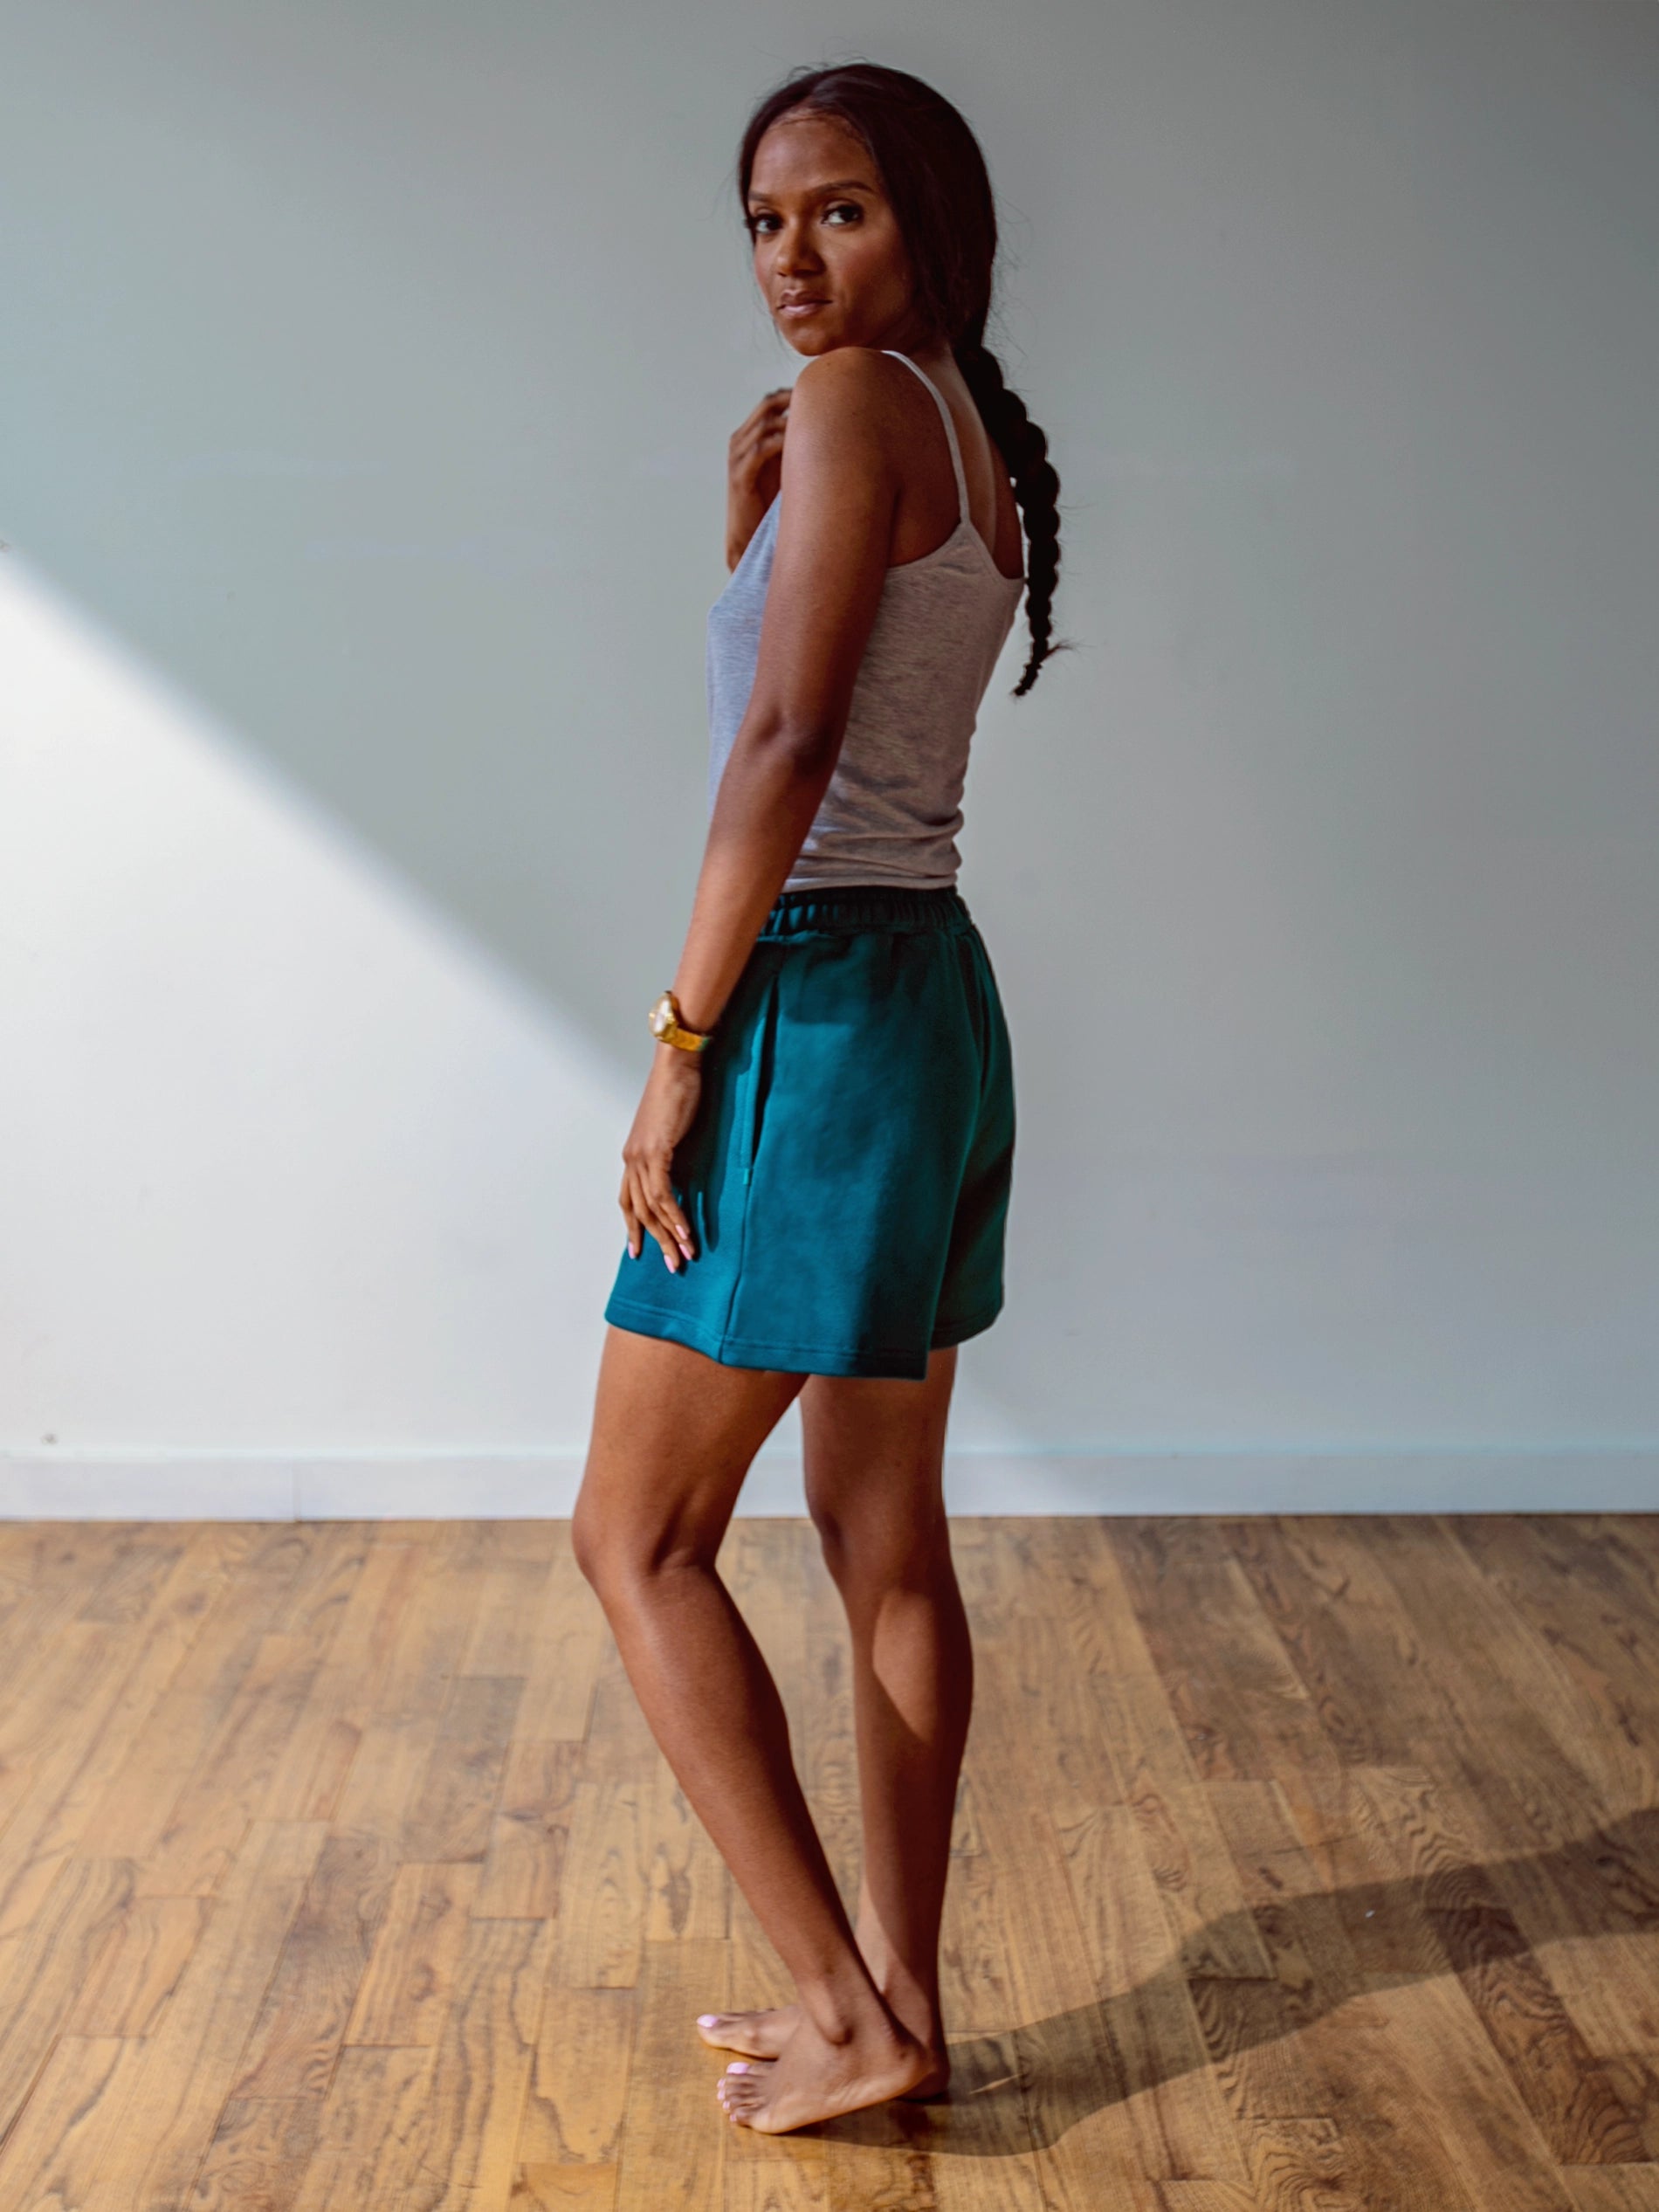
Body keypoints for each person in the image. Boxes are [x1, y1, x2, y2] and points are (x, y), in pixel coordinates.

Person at [570, 59, 1064, 2136]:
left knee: (635, 1533)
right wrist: (741, 543)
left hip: (814, 1008)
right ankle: (896, 2000)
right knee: (878, 1531)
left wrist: (677, 1053)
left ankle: (842, 2006)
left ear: (929, 220)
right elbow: (831, 702)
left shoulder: (866, 403)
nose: (795, 258)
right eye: (766, 222)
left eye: (839, 213)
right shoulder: (958, 430)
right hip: (927, 1002)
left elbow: (781, 751)